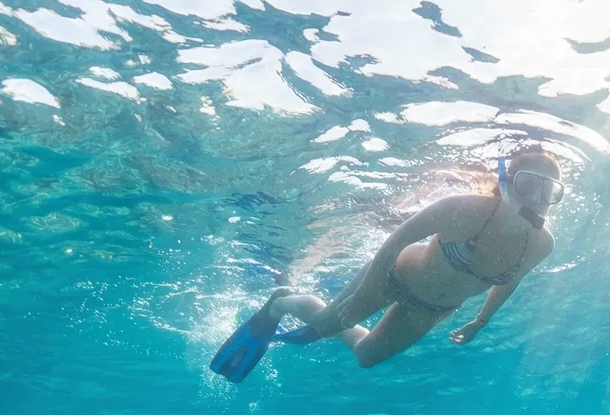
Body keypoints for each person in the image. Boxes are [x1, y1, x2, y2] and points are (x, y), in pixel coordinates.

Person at [211, 146, 565, 378]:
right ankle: (281, 301)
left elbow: (510, 280)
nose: (537, 198)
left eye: (549, 190)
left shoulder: (540, 244)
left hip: (430, 309)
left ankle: (320, 317)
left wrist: (480, 321)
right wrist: (362, 292)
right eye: (528, 183)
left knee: (366, 356)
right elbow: (398, 238)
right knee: (325, 323)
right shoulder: (465, 209)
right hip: (393, 277)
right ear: (504, 182)